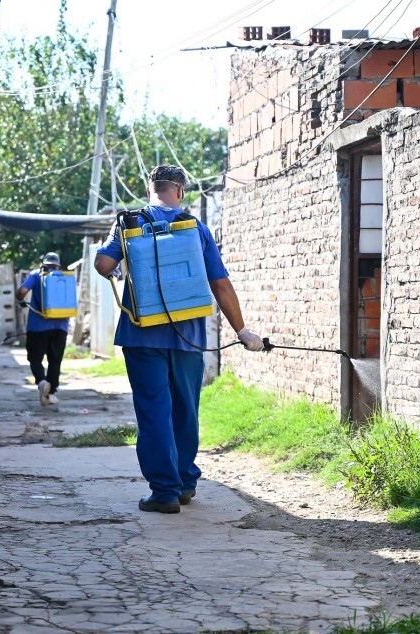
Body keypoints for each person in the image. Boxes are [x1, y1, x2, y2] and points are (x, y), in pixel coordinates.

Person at [94, 164, 265, 514]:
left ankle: (164, 491)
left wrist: (120, 260)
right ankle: (185, 483)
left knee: (154, 412)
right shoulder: (196, 228)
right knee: (185, 410)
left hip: (142, 336)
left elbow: (102, 265)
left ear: (149, 190)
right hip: (188, 338)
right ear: (180, 191)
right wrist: (242, 330)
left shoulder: (129, 222)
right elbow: (220, 284)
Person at [16, 252, 69, 406]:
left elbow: (22, 292)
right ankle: (51, 393)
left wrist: (20, 299)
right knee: (55, 361)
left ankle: (41, 382)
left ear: (44, 264)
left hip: (37, 326)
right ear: (58, 266)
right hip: (61, 327)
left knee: (35, 358)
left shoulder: (35, 275)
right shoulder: (65, 278)